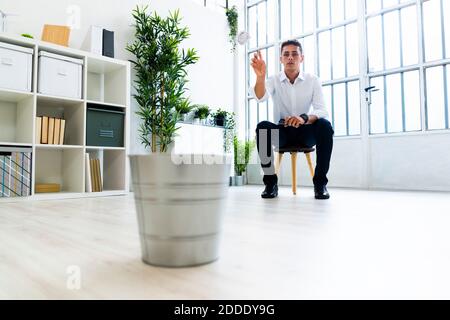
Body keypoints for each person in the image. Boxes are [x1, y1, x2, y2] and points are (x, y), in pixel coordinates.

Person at [250, 39, 334, 200]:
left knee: (325, 125)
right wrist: (260, 77)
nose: (290, 57)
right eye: (286, 54)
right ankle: (270, 184)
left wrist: (303, 118)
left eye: (294, 54)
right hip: (283, 133)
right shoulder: (274, 80)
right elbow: (260, 97)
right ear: (281, 59)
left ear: (301, 58)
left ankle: (320, 184)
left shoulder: (313, 80)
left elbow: (322, 110)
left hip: (305, 132)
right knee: (263, 127)